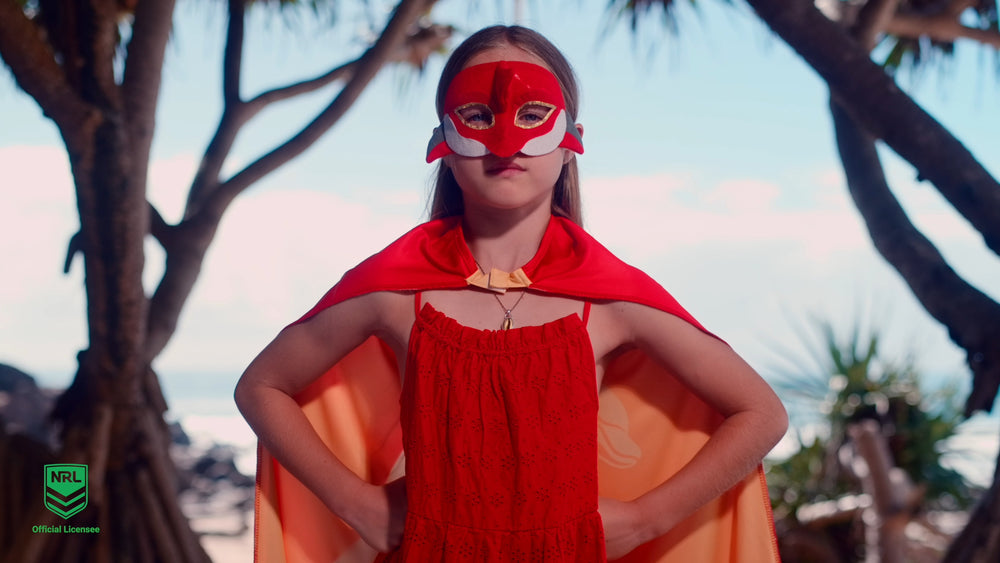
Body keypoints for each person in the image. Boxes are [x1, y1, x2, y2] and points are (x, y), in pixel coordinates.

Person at [235, 25, 788, 562]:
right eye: (477, 115)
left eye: (532, 114)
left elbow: (761, 413)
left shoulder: (611, 299)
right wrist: (354, 503)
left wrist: (648, 519)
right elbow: (261, 385)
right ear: (443, 144)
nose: (506, 140)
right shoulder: (395, 289)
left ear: (571, 143)